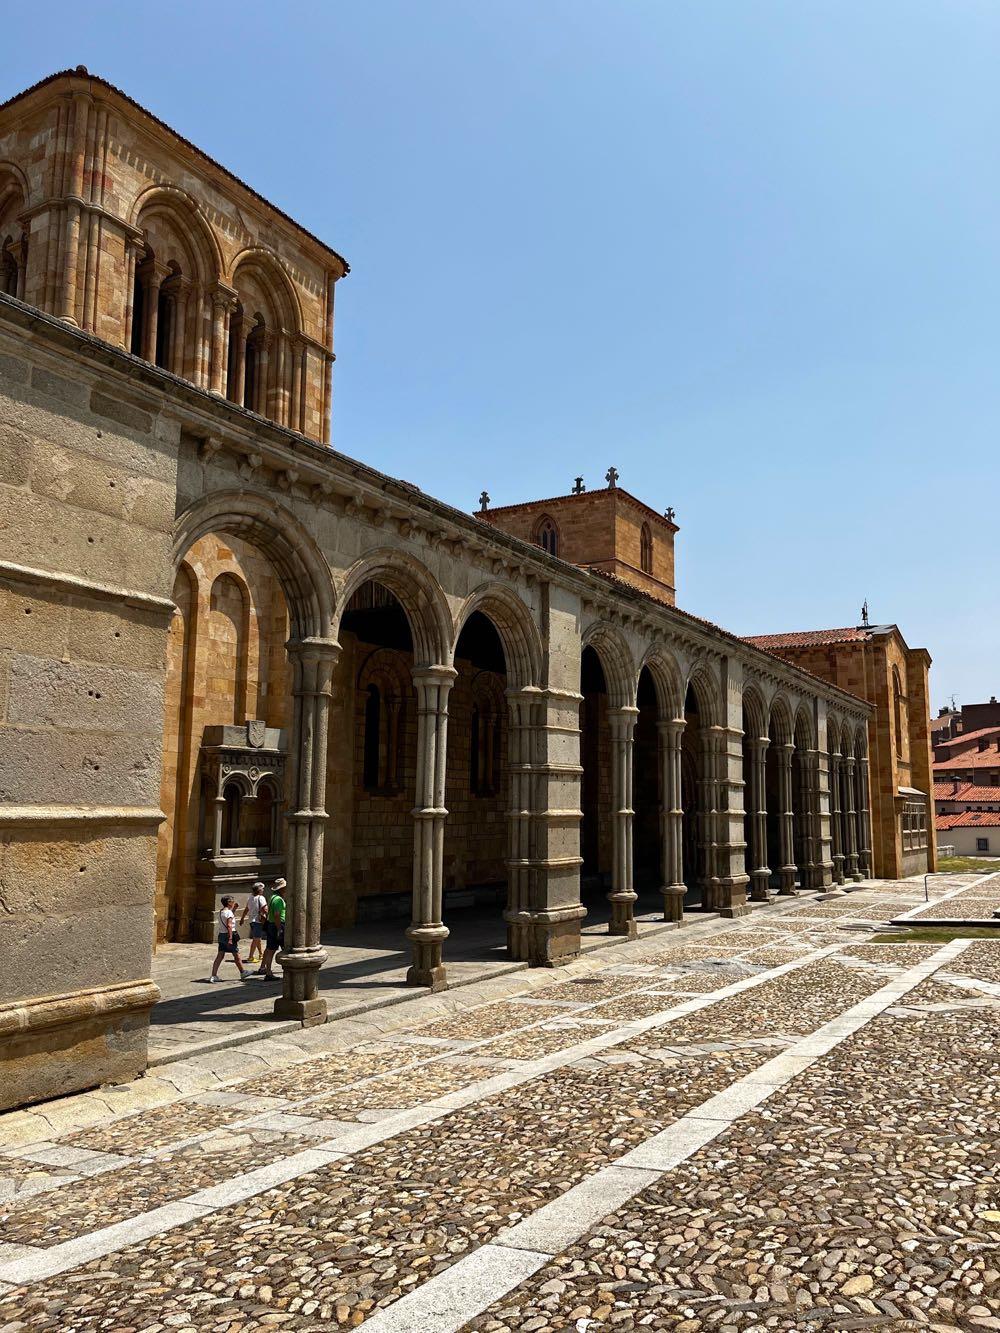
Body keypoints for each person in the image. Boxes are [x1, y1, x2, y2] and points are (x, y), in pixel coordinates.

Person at [210, 896, 251, 982]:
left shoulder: (222, 911)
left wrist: (234, 909)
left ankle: (213, 975)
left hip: (221, 935)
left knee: (220, 955)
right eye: (232, 901)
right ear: (229, 902)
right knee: (236, 954)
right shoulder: (229, 913)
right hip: (228, 935)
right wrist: (230, 938)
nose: (233, 903)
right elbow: (229, 925)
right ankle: (243, 972)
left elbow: (227, 916)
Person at [260, 877, 287, 980]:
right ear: (282, 888)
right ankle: (288, 970)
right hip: (278, 925)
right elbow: (277, 915)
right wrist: (280, 928)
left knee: (270, 949)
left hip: (271, 925)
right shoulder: (279, 900)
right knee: (286, 948)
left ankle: (268, 971)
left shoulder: (272, 897)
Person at [240, 881, 268, 966]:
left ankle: (261, 954)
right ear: (259, 890)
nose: (263, 890)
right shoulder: (261, 898)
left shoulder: (250, 898)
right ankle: (250, 957)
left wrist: (242, 918)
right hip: (258, 921)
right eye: (262, 889)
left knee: (257, 938)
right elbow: (265, 909)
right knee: (256, 939)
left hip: (251, 921)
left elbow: (246, 909)